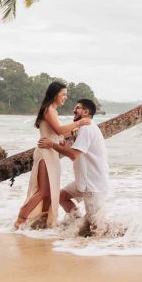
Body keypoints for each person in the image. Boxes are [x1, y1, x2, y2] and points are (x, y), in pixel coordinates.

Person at [14, 82, 91, 229]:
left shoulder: (53, 111)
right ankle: (20, 219)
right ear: (55, 94)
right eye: (63, 94)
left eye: (66, 95)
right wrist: (79, 123)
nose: (65, 98)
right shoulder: (49, 109)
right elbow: (60, 130)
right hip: (45, 153)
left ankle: (42, 221)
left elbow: (58, 133)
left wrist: (72, 132)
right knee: (43, 190)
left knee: (50, 192)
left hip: (51, 153)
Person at [38, 98, 109, 236]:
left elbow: (74, 155)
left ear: (86, 111)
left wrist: (52, 145)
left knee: (98, 227)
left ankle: (119, 242)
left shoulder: (87, 129)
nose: (74, 110)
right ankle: (77, 224)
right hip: (84, 180)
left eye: (77, 107)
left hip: (93, 183)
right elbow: (79, 153)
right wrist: (66, 147)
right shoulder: (84, 128)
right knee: (61, 197)